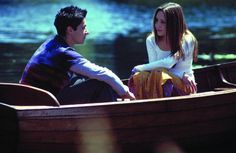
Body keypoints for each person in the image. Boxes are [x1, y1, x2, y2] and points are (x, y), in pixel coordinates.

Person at [20, 5, 135, 104]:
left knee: (86, 77)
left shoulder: (51, 43)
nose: (87, 31)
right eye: (83, 27)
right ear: (70, 30)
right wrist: (126, 93)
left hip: (29, 97)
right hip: (43, 103)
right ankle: (114, 118)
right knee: (101, 83)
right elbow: (104, 74)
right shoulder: (64, 53)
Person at [129, 2, 198, 99]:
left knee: (160, 74)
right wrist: (139, 72)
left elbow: (168, 63)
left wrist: (138, 68)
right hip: (160, 83)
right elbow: (154, 68)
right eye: (156, 20)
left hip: (184, 86)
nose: (158, 25)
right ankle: (145, 104)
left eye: (163, 22)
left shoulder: (187, 40)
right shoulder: (151, 40)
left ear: (174, 23)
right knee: (141, 76)